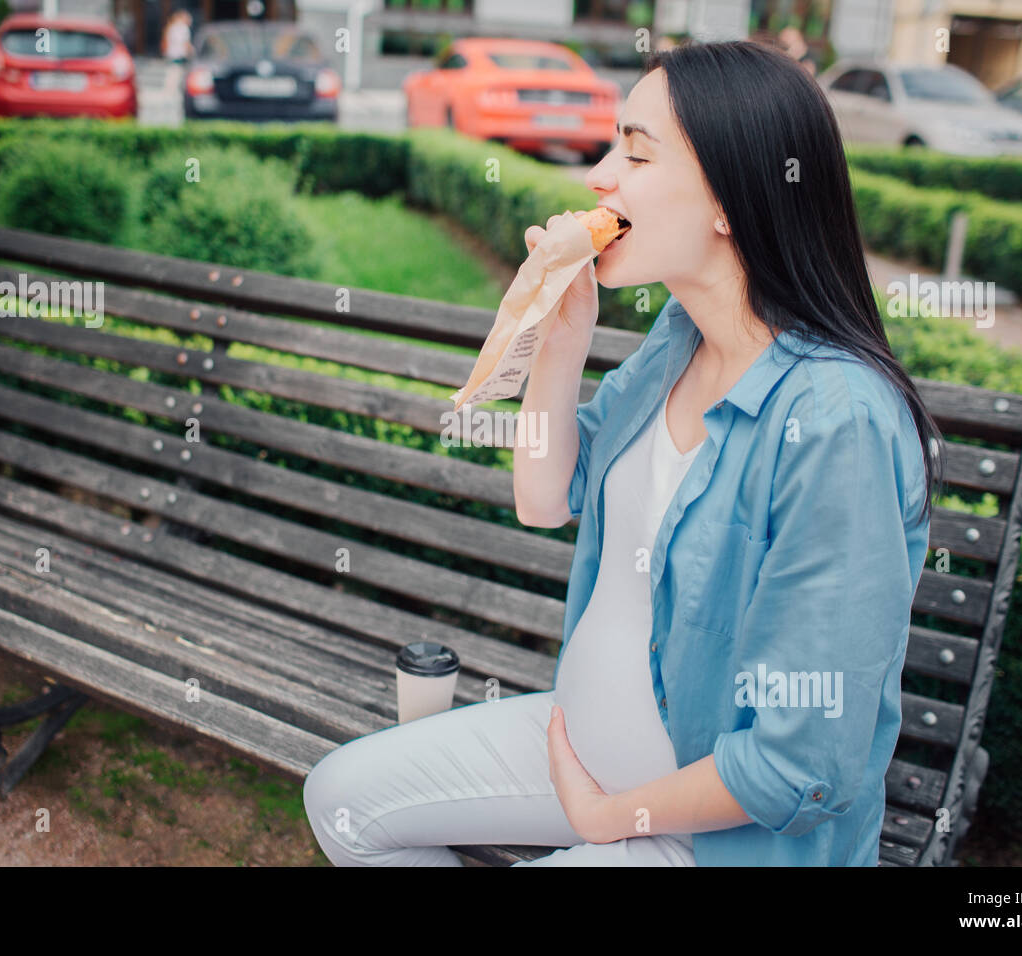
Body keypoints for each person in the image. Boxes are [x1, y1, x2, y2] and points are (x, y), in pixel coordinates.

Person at [303, 40, 941, 866]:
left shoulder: (835, 423)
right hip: (576, 755)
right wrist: (561, 339)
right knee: (344, 801)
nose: (600, 176)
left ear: (732, 200)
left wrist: (613, 820)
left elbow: (802, 764)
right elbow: (544, 499)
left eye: (636, 152)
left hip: (706, 837)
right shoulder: (680, 337)